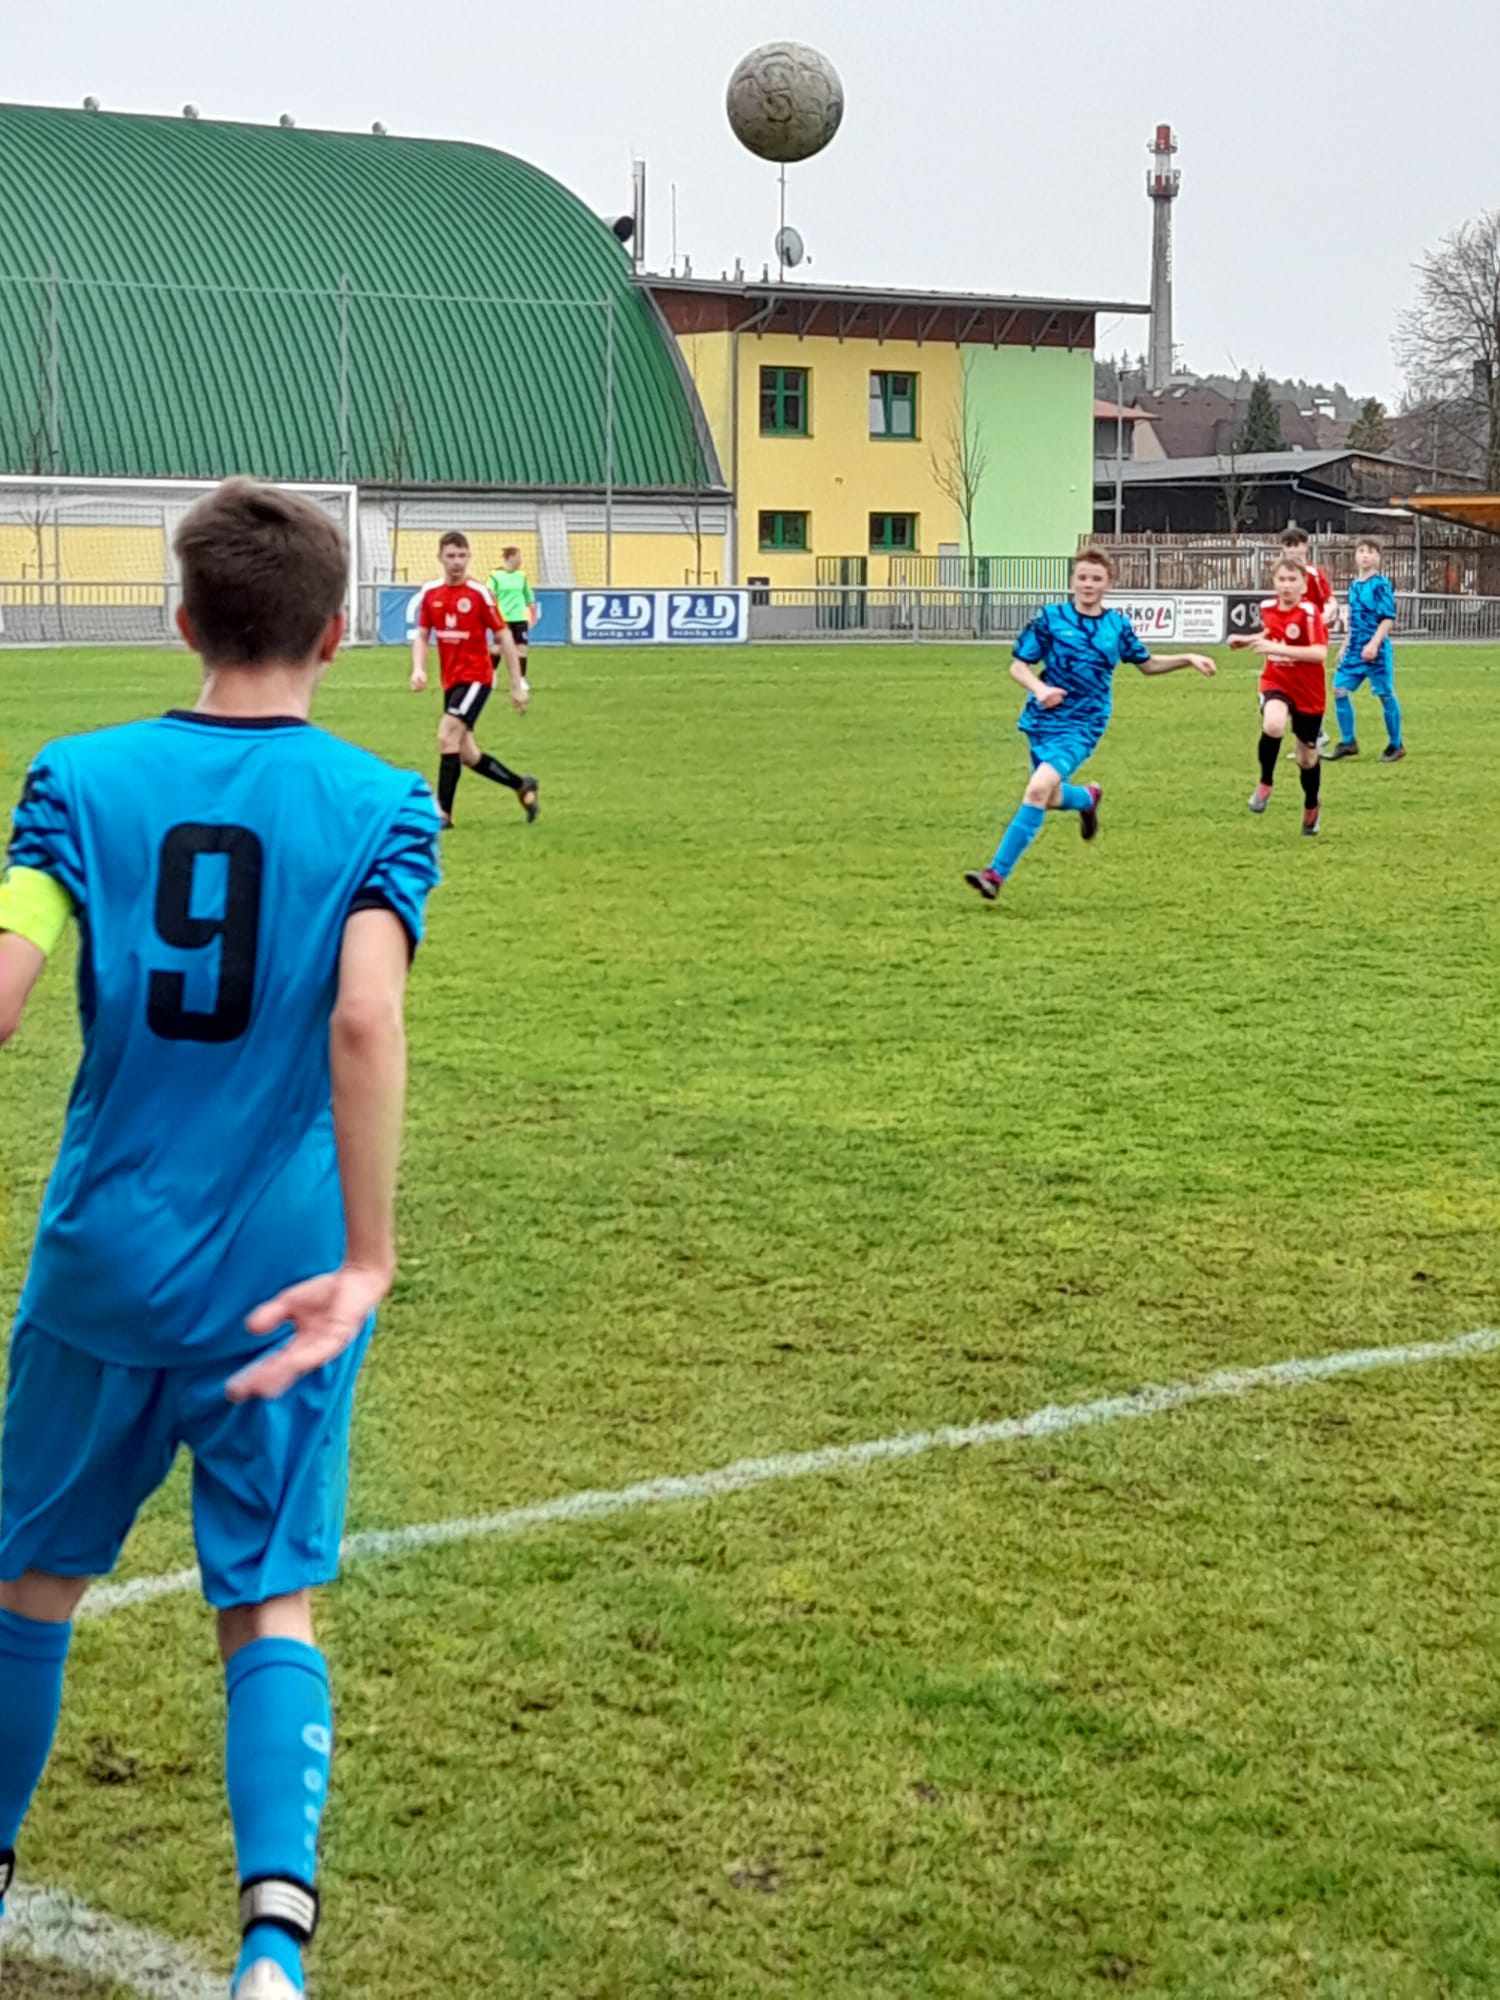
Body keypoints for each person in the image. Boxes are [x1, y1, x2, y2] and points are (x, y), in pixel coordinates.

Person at [0, 481, 440, 2000]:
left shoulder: (77, 780)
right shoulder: (386, 804)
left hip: (104, 1263)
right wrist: (369, 1256)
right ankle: (271, 1948)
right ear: (339, 632)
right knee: (267, 1600)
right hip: (286, 1276)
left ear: (180, 618)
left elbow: (5, 986)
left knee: (29, 1582)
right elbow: (366, 1017)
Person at [963, 549, 1217, 901]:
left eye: (1096, 579)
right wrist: (1040, 689)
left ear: (1108, 584)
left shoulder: (1116, 626)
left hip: (1084, 723)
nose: (1088, 584)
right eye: (1082, 577)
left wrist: (1187, 658)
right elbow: (1018, 666)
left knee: (1037, 790)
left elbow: (1147, 664)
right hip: (1044, 718)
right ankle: (1086, 798)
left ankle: (995, 874)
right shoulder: (1051, 618)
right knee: (1048, 796)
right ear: (1072, 581)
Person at [409, 531, 538, 828]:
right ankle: (522, 785)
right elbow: (423, 634)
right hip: (452, 680)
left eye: (462, 555)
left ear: (469, 557)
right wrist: (418, 668)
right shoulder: (431, 593)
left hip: (477, 677)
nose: (457, 562)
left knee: (446, 735)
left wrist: (516, 683)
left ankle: (444, 815)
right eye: (451, 556)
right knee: (467, 754)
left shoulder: (479, 593)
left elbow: (503, 636)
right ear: (440, 557)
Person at [1231, 555, 1329, 835]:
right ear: (1274, 582)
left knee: (1306, 758)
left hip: (1308, 691)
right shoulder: (1267, 608)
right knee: (1273, 724)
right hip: (1276, 680)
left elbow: (1319, 653)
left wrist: (1276, 648)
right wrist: (1247, 640)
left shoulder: (1309, 613)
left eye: (1292, 580)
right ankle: (1265, 783)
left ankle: (1311, 805)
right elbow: (1272, 632)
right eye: (1281, 579)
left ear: (1303, 584)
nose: (1286, 585)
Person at [1323, 537, 1404, 762]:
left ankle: (1396, 745)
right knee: (1339, 689)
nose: (1365, 555)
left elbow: (1388, 618)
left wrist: (1374, 643)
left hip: (1375, 651)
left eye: (1370, 551)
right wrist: (1345, 644)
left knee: (1385, 694)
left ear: (1378, 557)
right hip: (1355, 649)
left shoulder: (1380, 584)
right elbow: (1355, 619)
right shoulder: (1354, 585)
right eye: (1361, 551)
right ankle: (1348, 741)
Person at [1279, 527, 1337, 752]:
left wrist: (1322, 618)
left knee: (1307, 688)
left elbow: (1330, 601)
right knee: (1289, 687)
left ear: (1305, 546)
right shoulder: (1283, 575)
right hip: (1292, 638)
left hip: (1312, 639)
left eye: (1297, 545)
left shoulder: (1312, 574)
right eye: (1288, 545)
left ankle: (1315, 735)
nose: (1293, 550)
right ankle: (1313, 735)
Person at [486, 544, 540, 687]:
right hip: (502, 619)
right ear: (510, 558)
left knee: (522, 649)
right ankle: (491, 674)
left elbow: (529, 597)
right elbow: (489, 592)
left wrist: (533, 615)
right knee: (498, 648)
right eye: (518, 557)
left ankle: (521, 679)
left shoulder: (522, 576)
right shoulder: (495, 575)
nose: (521, 560)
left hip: (520, 618)